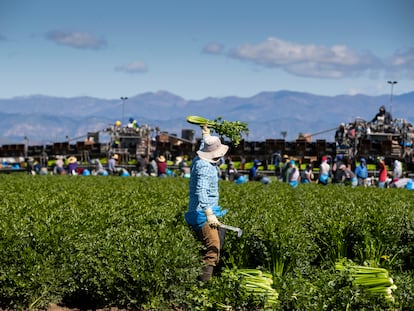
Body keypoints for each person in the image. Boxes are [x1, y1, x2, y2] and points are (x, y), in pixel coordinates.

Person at [184, 125, 230, 282]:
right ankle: (202, 287)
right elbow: (201, 191)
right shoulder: (203, 167)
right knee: (213, 247)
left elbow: (203, 148)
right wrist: (209, 214)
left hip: (208, 210)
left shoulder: (200, 159)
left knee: (221, 234)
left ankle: (209, 273)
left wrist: (206, 135)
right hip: (201, 213)